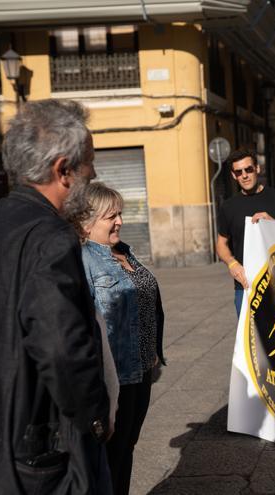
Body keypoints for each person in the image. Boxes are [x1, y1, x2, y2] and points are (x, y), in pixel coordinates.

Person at [0, 99, 112, 494]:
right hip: (33, 450)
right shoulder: (50, 237)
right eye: (89, 164)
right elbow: (62, 347)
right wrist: (95, 417)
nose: (94, 173)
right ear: (63, 169)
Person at [81, 182, 164, 495]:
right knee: (111, 455)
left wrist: (153, 350)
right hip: (115, 376)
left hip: (141, 369)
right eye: (110, 216)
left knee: (126, 448)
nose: (119, 221)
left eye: (119, 214)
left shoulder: (123, 251)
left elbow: (145, 301)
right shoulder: (83, 260)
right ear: (85, 221)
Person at [216, 148, 275, 315]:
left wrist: (274, 224)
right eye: (239, 172)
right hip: (246, 286)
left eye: (248, 169)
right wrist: (232, 264)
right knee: (250, 341)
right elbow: (221, 243)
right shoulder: (228, 206)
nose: (245, 175)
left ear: (257, 169)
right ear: (234, 176)